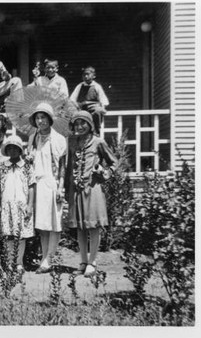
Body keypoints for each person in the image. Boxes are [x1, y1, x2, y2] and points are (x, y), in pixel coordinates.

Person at [65, 111, 117, 277]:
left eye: (83, 123)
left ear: (90, 125)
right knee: (80, 227)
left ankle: (92, 262)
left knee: (93, 226)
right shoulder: (72, 141)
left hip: (92, 188)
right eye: (76, 124)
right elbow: (68, 168)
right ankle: (83, 260)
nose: (79, 127)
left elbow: (113, 162)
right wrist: (67, 189)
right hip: (76, 190)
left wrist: (104, 172)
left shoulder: (98, 142)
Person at [27, 103, 67, 273]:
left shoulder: (58, 139)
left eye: (43, 117)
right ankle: (44, 257)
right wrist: (29, 156)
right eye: (37, 118)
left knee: (54, 222)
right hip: (38, 183)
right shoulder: (33, 138)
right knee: (42, 224)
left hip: (53, 182)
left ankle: (49, 258)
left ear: (50, 119)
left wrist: (60, 187)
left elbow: (63, 166)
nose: (40, 121)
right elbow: (32, 161)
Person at [0, 135, 35, 272]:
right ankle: (10, 261)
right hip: (6, 204)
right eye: (9, 148)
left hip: (21, 205)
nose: (12, 151)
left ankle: (19, 262)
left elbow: (31, 186)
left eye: (15, 148)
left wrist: (30, 205)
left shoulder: (27, 167)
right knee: (8, 234)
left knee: (21, 234)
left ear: (20, 150)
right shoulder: (2, 167)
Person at [69, 66, 109, 135]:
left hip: (93, 106)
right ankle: (74, 131)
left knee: (97, 112)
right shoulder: (80, 86)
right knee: (72, 112)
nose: (86, 76)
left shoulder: (96, 86)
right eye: (84, 75)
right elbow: (72, 98)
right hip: (82, 106)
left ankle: (96, 131)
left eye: (88, 74)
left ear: (94, 76)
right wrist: (76, 106)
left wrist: (102, 108)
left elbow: (103, 99)